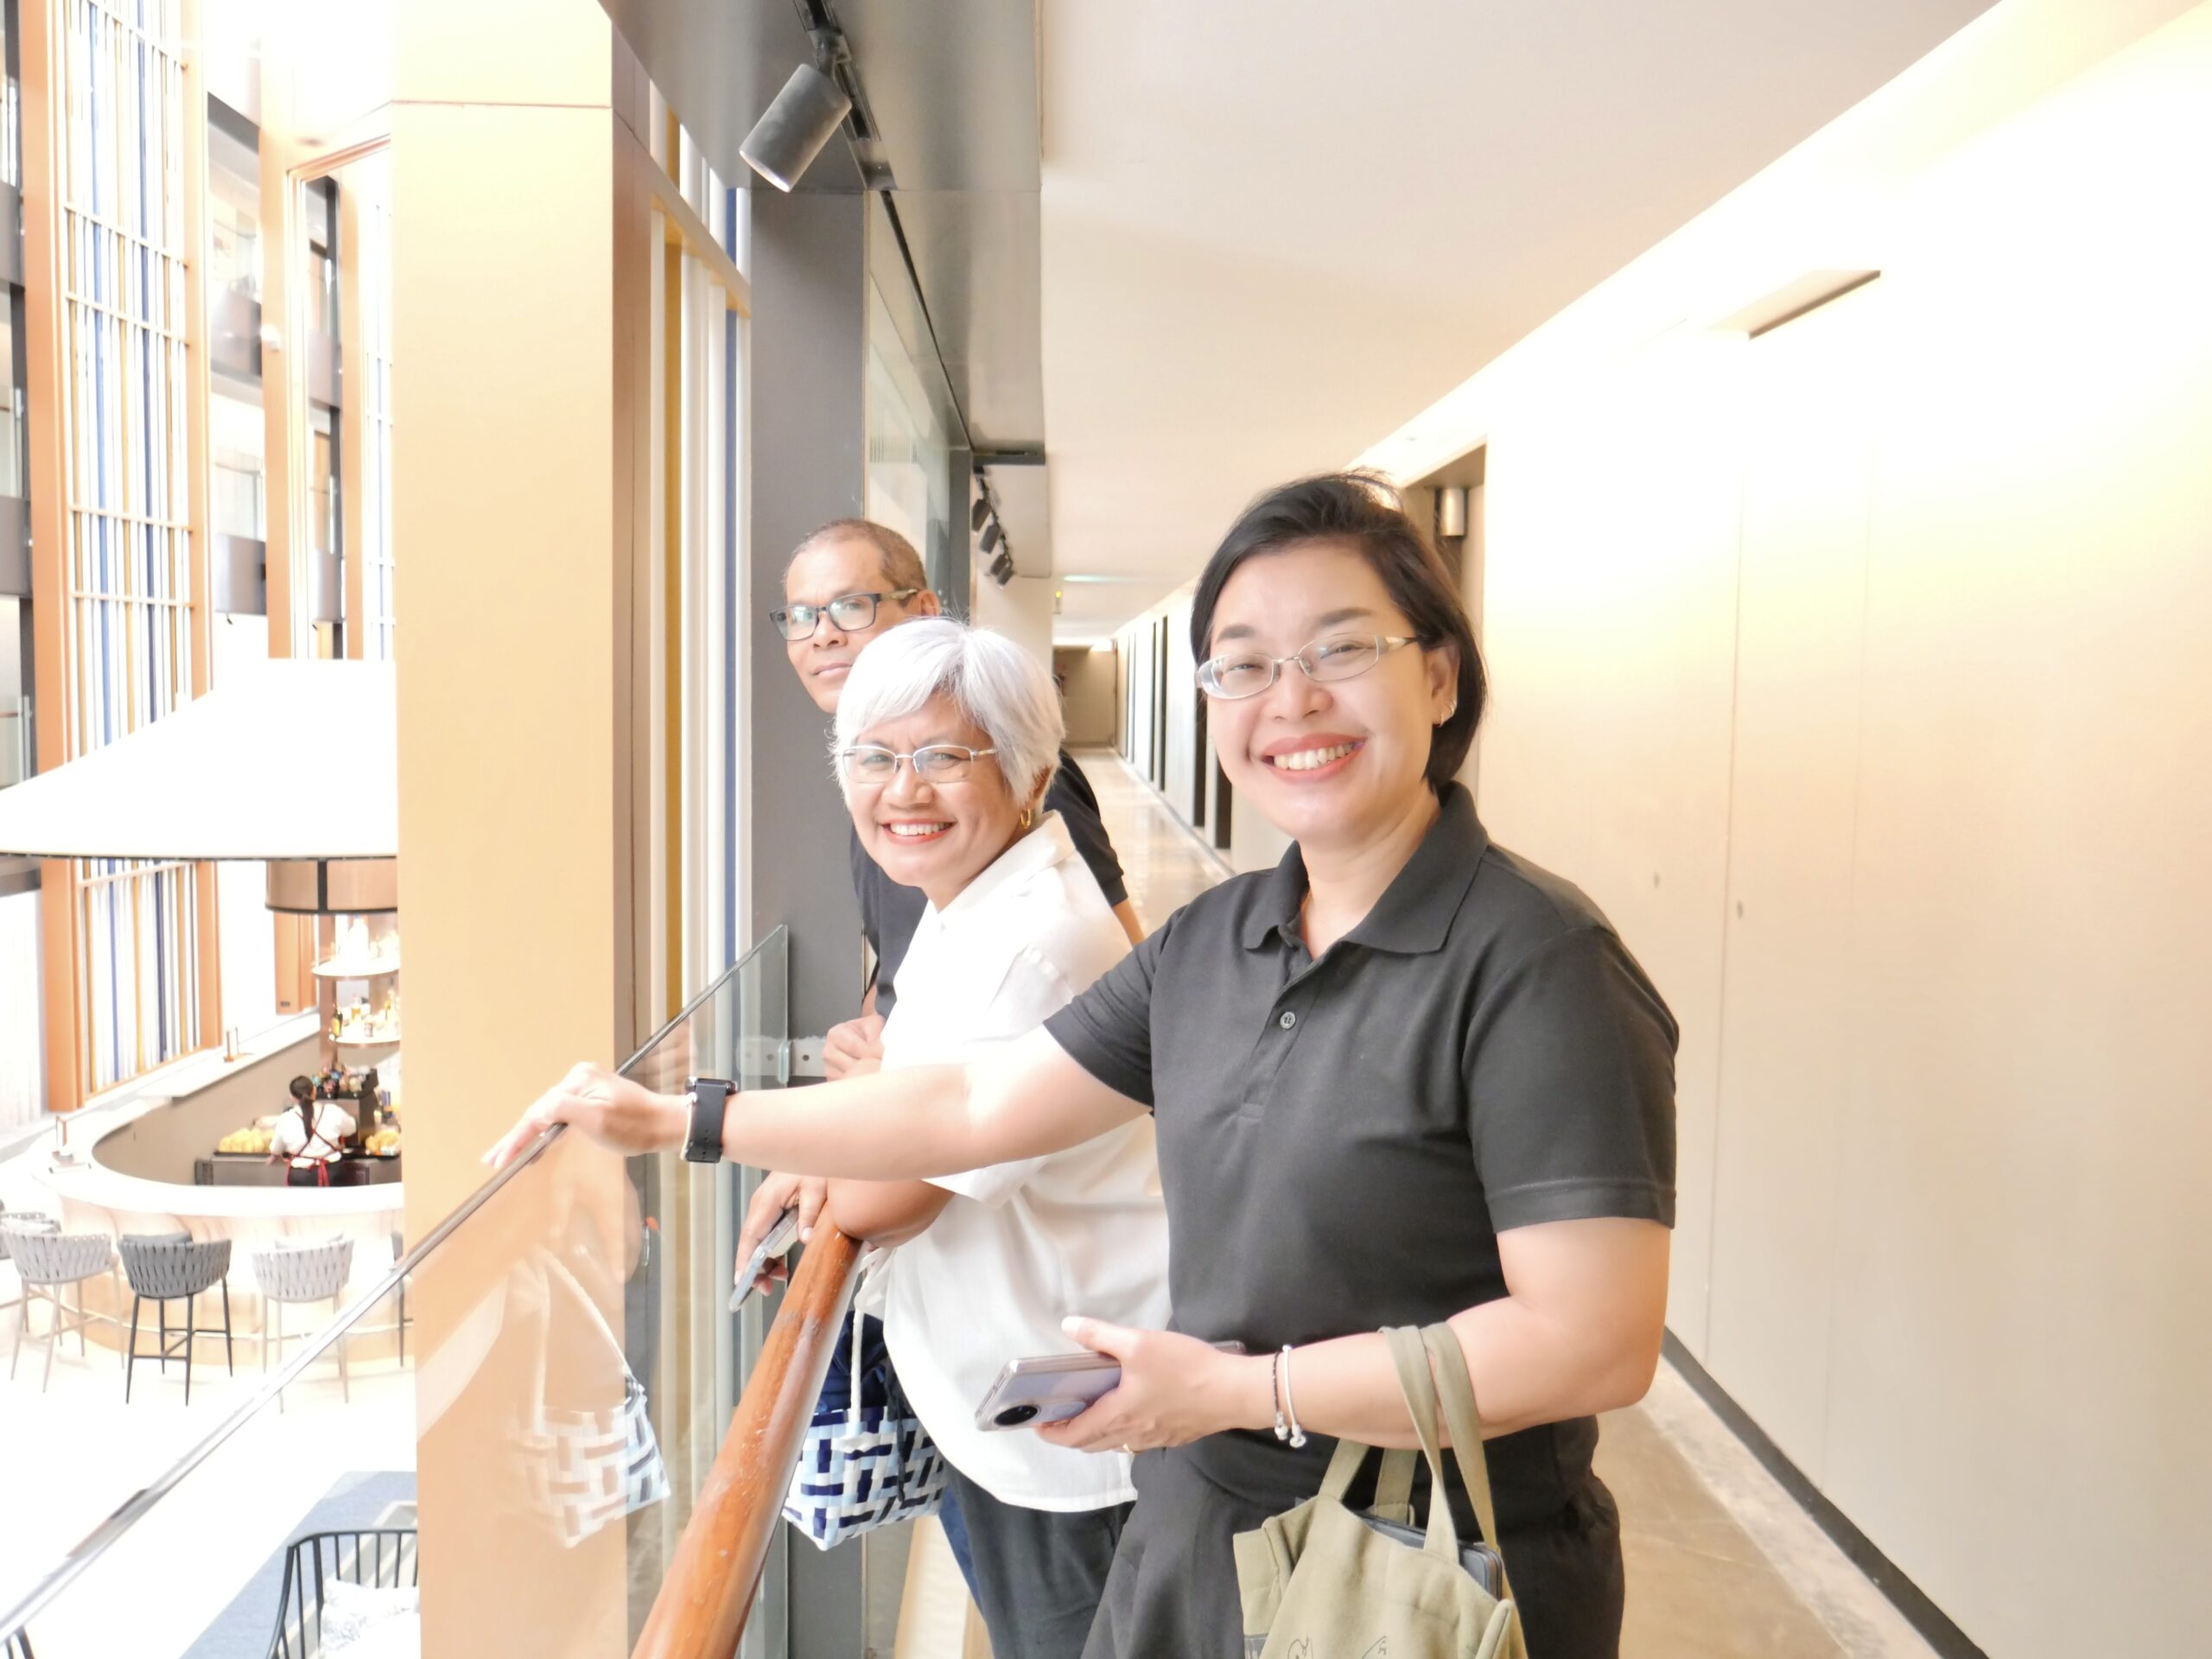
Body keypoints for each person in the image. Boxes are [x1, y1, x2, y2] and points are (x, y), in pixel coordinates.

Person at [494, 474, 1676, 1658]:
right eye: (1244, 663)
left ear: (1441, 676)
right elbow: (975, 1102)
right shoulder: (1215, 941)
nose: (1292, 700)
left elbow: (1591, 1342)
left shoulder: (1538, 963)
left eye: (1341, 648)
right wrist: (676, 1119)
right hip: (1203, 1529)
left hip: (1421, 1572)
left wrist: (1241, 1392)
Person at [759, 615, 1168, 1659]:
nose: (903, 790)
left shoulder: (1029, 945)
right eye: (872, 758)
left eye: (943, 757)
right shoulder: (971, 895)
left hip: (1063, 1422)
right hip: (1012, 1380)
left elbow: (880, 1199)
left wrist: (848, 1125)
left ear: (1031, 775)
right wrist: (873, 1102)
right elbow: (908, 1090)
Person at [271, 1073, 355, 1188]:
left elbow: (275, 1149)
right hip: (332, 1174)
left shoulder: (285, 1120)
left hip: (300, 1177)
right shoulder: (333, 1112)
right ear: (314, 1091)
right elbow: (351, 1128)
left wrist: (274, 1156)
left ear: (292, 1097)